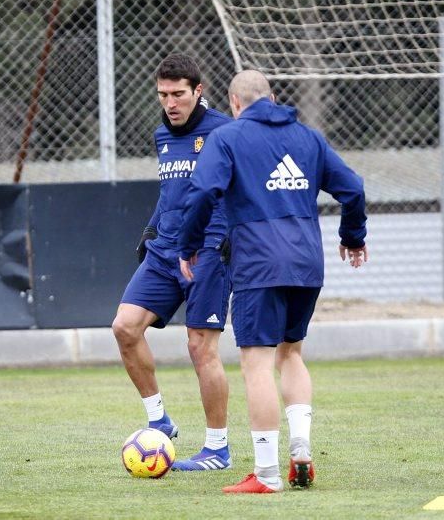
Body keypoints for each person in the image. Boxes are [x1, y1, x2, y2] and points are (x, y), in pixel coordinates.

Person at [178, 70, 367, 492]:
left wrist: (189, 245)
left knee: (256, 363)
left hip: (259, 264)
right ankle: (300, 448)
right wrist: (352, 237)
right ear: (273, 97)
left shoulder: (227, 138)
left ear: (235, 103)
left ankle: (266, 474)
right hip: (306, 263)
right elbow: (352, 189)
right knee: (291, 353)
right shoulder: (309, 138)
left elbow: (203, 192)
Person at [112, 54, 234, 471]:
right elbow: (173, 192)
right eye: (163, 94)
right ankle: (159, 421)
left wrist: (227, 241)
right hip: (165, 253)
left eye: (178, 94)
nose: (170, 102)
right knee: (125, 328)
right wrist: (151, 233)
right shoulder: (162, 134)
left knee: (200, 348)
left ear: (198, 91)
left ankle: (217, 449)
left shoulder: (225, 132)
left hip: (208, 255)